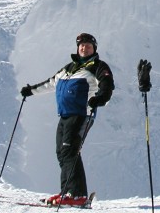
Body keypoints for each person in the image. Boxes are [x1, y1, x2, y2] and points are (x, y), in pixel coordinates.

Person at [20, 33, 114, 207]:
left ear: (94, 48)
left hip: (82, 114)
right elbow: (50, 83)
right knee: (62, 153)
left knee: (71, 151)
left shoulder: (98, 66)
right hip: (64, 115)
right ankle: (67, 192)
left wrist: (100, 99)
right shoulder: (69, 68)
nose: (84, 48)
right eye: (81, 45)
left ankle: (77, 195)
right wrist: (30, 91)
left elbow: (107, 85)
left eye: (88, 45)